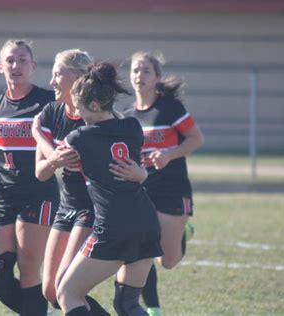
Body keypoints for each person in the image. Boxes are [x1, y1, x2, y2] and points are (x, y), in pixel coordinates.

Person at [56, 62, 162, 316]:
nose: (78, 114)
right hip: (146, 222)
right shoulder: (132, 128)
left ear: (93, 105)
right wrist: (144, 173)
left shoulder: (79, 137)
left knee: (67, 294)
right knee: (128, 305)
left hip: (113, 227)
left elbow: (48, 167)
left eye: (79, 107)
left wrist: (38, 132)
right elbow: (136, 169)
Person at [0, 39, 60, 315]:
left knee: (28, 273)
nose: (16, 65)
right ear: (0, 67)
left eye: (22, 60)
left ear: (33, 66)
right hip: (3, 196)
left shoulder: (48, 102)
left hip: (38, 194)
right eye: (10, 60)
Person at [120, 51, 204, 316]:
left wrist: (169, 154)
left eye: (145, 71)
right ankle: (153, 308)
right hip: (141, 190)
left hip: (172, 189)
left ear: (157, 77)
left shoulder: (170, 108)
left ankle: (183, 233)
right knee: (140, 247)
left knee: (167, 261)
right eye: (135, 70)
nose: (139, 76)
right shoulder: (127, 115)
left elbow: (196, 139)